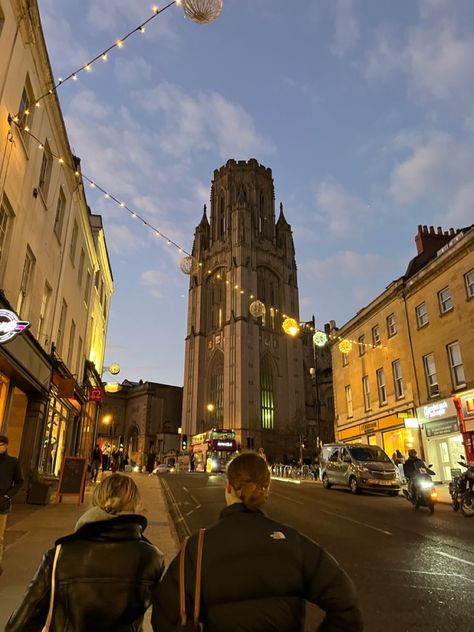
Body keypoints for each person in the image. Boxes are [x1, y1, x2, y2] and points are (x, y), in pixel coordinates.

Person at [152, 452, 363, 632]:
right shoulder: (294, 543)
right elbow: (347, 606)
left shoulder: (197, 547)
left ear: (228, 487)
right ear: (266, 489)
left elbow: (164, 617)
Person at [6, 473, 164, 631]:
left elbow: (19, 625)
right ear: (136, 506)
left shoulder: (59, 556)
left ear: (96, 503)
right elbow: (168, 619)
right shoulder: (152, 558)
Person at [0, 434, 24, 576]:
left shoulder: (12, 462)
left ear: (6, 446)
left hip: (2, 503)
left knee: (0, 537)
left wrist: (7, 496)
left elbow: (20, 481)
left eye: (1, 445)